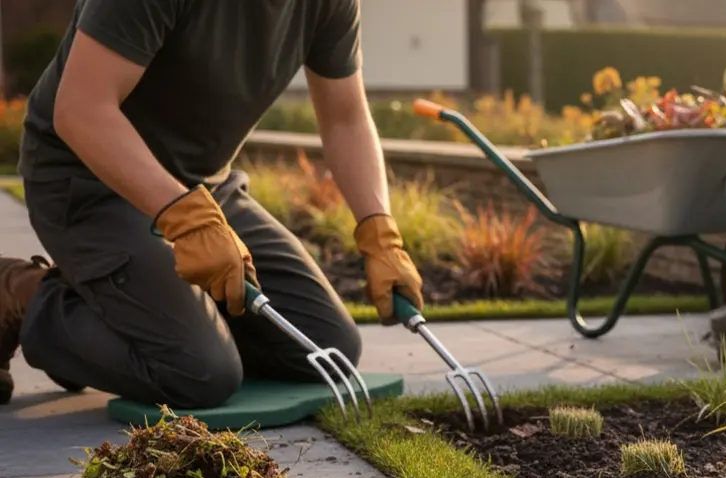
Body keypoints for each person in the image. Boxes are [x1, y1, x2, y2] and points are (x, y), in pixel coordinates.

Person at [0, 0, 425, 408]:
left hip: (203, 189)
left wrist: (379, 232)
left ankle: (119, 315)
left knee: (325, 346)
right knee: (199, 373)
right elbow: (80, 111)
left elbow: (345, 117)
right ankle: (23, 293)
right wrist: (185, 217)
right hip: (88, 180)